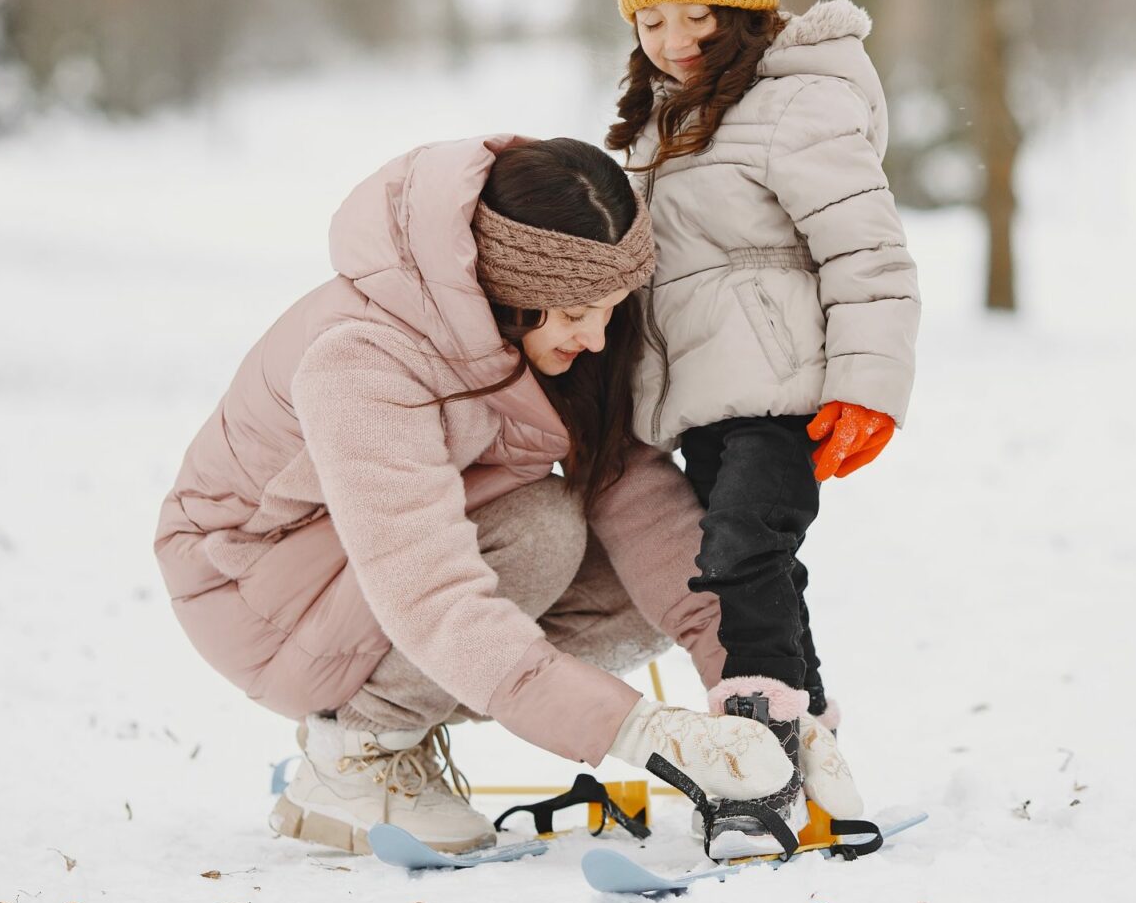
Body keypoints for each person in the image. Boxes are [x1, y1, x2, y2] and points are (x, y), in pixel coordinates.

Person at [153, 134, 856, 855]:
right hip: (255, 588)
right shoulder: (360, 356)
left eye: (611, 307)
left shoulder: (561, 340)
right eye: (576, 310)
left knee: (645, 584)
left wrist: (760, 695)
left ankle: (391, 730)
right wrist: (642, 732)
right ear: (508, 288)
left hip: (393, 571)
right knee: (543, 529)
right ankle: (357, 757)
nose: (597, 335)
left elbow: (645, 509)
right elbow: (430, 590)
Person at [605, 0, 920, 856]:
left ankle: (754, 772)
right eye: (650, 20)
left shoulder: (798, 104)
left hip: (787, 395)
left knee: (737, 556)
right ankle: (814, 747)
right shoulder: (660, 124)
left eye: (696, 14)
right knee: (758, 572)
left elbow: (866, 252)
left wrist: (868, 383)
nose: (674, 39)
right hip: (702, 399)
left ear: (742, 4)